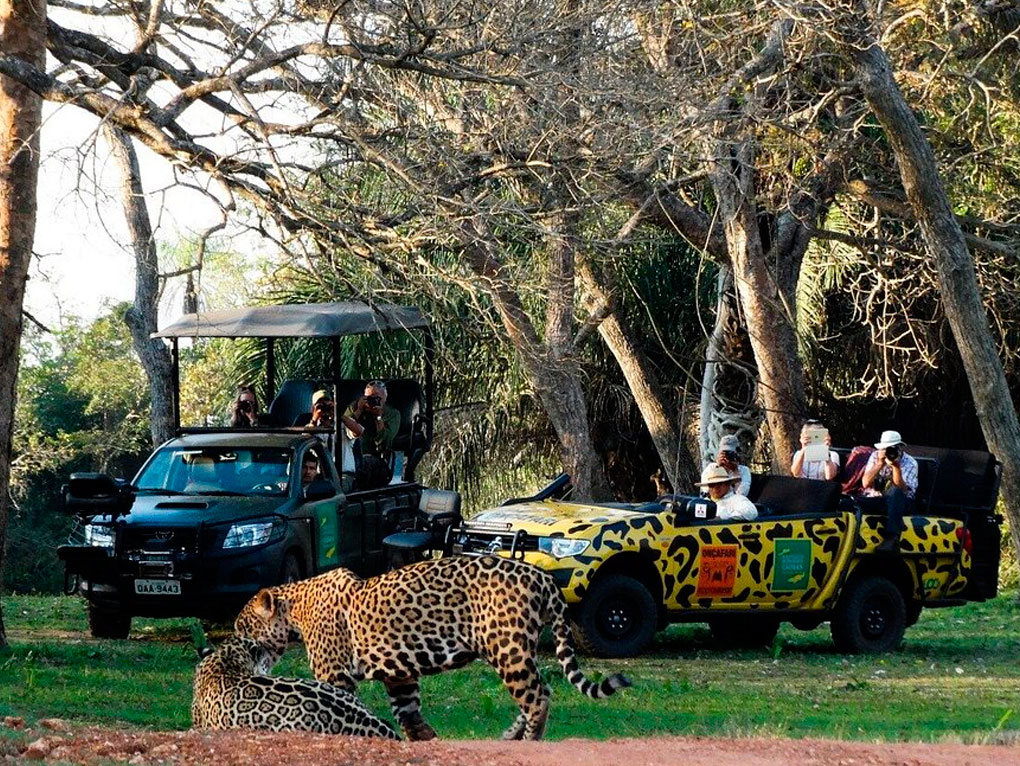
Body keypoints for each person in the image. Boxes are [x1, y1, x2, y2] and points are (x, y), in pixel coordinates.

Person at [859, 430, 918, 553]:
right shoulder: (875, 456)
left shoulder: (910, 462)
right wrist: (879, 464)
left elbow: (903, 490)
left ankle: (892, 538)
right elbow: (865, 483)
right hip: (878, 499)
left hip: (901, 503)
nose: (888, 452)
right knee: (850, 502)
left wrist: (896, 467)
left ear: (900, 448)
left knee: (895, 492)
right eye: (885, 448)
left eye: (891, 449)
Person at [345, 381, 401, 488]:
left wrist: (378, 418)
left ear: (384, 398)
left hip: (374, 456)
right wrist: (358, 411)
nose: (372, 401)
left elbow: (384, 442)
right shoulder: (355, 407)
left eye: (376, 398)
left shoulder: (392, 414)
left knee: (362, 464)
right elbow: (344, 429)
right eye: (368, 398)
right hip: (350, 453)